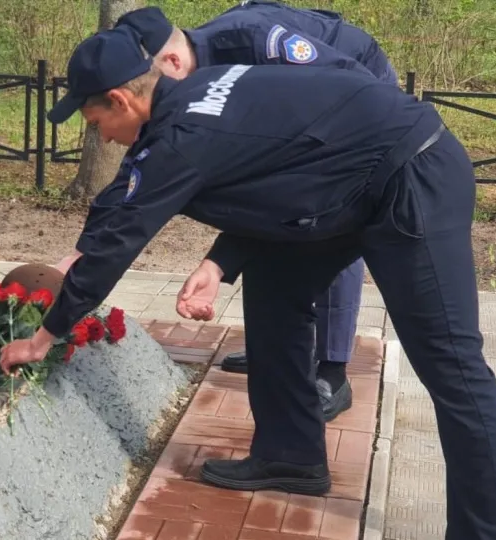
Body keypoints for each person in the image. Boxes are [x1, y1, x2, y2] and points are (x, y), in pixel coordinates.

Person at [0, 26, 496, 540]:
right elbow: (273, 169)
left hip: (413, 176)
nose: (102, 137)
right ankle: (290, 455)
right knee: (274, 290)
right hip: (347, 185)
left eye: (95, 122)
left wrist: (44, 336)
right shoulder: (196, 97)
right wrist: (219, 263)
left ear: (120, 99)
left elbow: (122, 237)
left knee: (453, 367)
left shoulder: (182, 136)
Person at [110, 3, 400, 422]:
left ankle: (332, 371)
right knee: (271, 209)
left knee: (332, 218)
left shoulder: (254, 42)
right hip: (313, 96)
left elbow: (339, 82)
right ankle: (279, 346)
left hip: (356, 80)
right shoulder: (198, 72)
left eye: (154, 86)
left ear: (172, 61)